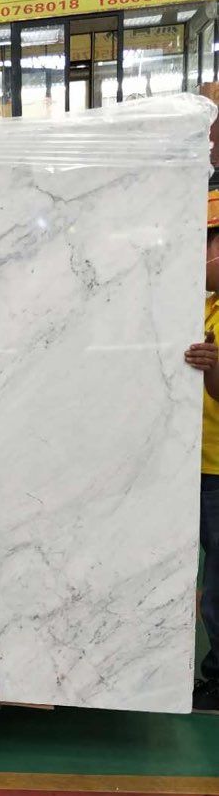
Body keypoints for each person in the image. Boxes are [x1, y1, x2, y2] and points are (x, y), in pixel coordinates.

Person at [186, 228, 219, 711]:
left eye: (210, 246)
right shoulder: (207, 306)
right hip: (193, 462)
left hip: (217, 468)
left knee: (216, 587)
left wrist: (213, 368)